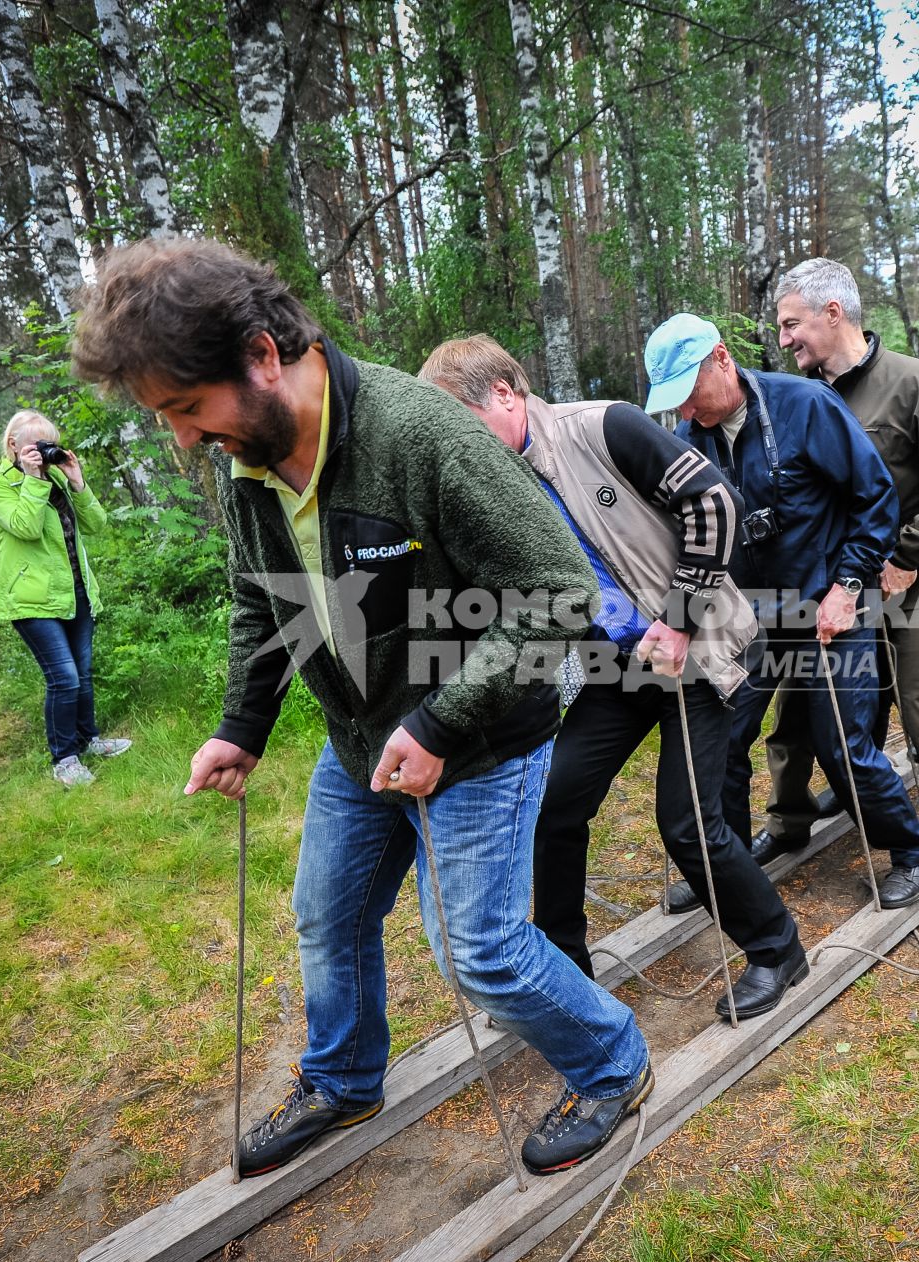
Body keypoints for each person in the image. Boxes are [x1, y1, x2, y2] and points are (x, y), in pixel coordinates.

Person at [71, 238, 652, 1180]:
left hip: (481, 741)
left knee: (482, 953)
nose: (182, 438)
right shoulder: (248, 456)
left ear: (262, 355)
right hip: (362, 741)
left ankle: (614, 1063)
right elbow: (263, 597)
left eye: (186, 408)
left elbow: (556, 592)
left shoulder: (418, 435)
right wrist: (239, 727)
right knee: (326, 915)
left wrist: (440, 724)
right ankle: (344, 1078)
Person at [420, 335, 808, 1020]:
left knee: (687, 824)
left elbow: (714, 502)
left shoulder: (603, 425)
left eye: (463, 421)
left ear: (506, 395)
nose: (459, 444)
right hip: (613, 667)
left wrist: (680, 618)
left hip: (695, 648)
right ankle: (567, 974)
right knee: (555, 803)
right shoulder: (493, 482)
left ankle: (778, 949)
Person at [643, 313, 919, 910]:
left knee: (840, 745)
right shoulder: (689, 441)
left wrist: (849, 585)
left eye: (689, 395)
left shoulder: (805, 406)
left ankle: (913, 848)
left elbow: (875, 496)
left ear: (722, 359)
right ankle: (728, 868)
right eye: (671, 403)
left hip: (828, 603)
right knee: (724, 739)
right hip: (750, 617)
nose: (683, 413)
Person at [771, 258, 919, 882]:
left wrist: (907, 554)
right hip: (827, 585)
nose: (784, 340)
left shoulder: (912, 382)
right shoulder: (799, 398)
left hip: (908, 580)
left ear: (833, 314)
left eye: (793, 324)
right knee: (802, 711)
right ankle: (793, 819)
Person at [0, 410, 131, 786]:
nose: (43, 454)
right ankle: (64, 759)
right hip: (31, 599)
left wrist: (77, 482)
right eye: (35, 446)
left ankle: (88, 739)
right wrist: (33, 480)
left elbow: (97, 525)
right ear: (13, 445)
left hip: (75, 590)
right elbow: (26, 529)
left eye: (49, 445)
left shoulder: (58, 481)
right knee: (63, 677)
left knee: (81, 674)